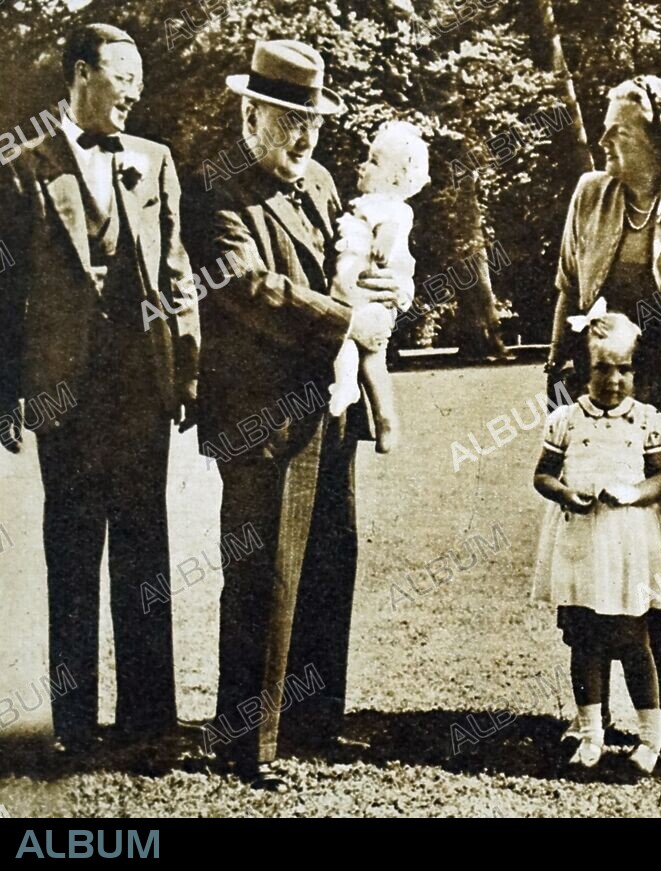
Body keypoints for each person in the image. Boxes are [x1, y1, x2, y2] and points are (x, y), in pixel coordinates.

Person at [189, 39, 403, 790]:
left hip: (327, 409)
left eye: (311, 119)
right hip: (260, 420)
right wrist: (347, 321)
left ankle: (316, 725)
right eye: (288, 119)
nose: (305, 135)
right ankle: (247, 744)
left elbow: (335, 268)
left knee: (327, 565)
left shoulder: (316, 180)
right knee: (262, 579)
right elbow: (251, 290)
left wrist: (376, 281)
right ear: (251, 113)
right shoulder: (216, 191)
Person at [0, 24, 199, 758]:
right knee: (74, 553)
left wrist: (187, 369)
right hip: (66, 396)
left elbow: (177, 273)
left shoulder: (155, 160)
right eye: (123, 78)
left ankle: (152, 724)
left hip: (141, 392)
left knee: (147, 552)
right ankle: (75, 727)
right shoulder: (22, 163)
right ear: (83, 75)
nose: (135, 94)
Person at [545, 74, 661, 754]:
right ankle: (590, 706)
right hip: (597, 391)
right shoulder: (590, 194)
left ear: (660, 139)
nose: (604, 142)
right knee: (592, 533)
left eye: (620, 132)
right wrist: (555, 371)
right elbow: (569, 286)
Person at [532, 312, 661, 775]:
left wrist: (634, 494)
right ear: (580, 370)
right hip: (580, 540)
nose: (613, 380)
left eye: (624, 369)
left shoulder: (647, 420)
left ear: (636, 370)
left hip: (627, 541)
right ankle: (591, 732)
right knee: (584, 639)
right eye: (602, 368)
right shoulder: (565, 420)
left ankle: (651, 737)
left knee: (633, 639)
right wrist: (565, 492)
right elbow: (544, 475)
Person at [328, 120, 430, 453]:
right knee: (352, 344)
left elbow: (389, 230)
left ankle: (384, 415)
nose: (363, 166)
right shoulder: (366, 204)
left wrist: (383, 243)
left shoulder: (391, 208)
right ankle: (350, 390)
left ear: (396, 179)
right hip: (352, 294)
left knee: (370, 354)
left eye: (373, 162)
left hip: (366, 291)